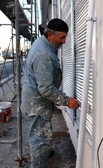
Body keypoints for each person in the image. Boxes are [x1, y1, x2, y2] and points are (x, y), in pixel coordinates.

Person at [21, 18, 81, 168]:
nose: (64, 41)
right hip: (37, 106)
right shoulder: (44, 55)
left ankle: (44, 155)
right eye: (62, 37)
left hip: (35, 103)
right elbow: (46, 88)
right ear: (50, 35)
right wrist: (67, 101)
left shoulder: (43, 44)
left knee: (40, 139)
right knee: (40, 143)